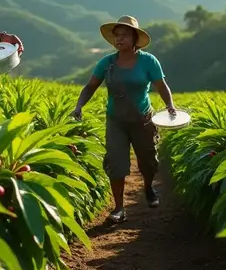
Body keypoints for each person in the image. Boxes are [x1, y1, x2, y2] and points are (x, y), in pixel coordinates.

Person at [70, 15, 177, 224]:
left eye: (125, 35)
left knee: (148, 161)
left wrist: (170, 105)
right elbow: (90, 86)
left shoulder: (148, 61)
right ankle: (119, 208)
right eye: (117, 36)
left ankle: (148, 187)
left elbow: (161, 86)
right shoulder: (107, 63)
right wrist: (79, 106)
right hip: (116, 121)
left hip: (143, 119)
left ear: (135, 39)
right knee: (116, 163)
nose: (119, 39)